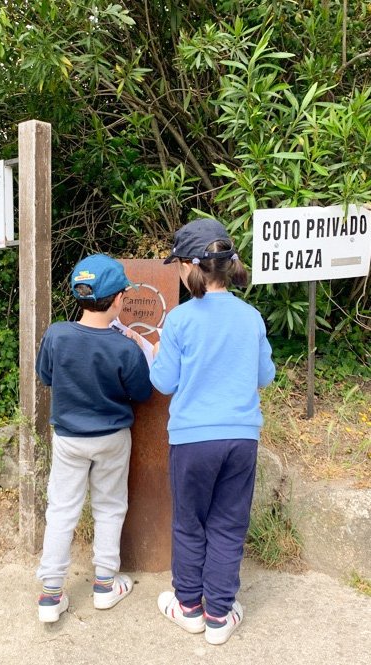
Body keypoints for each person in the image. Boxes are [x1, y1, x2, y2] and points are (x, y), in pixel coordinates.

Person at [150, 218, 275, 645]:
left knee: (190, 522)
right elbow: (265, 375)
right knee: (228, 523)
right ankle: (220, 615)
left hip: (192, 439)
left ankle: (189, 608)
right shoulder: (252, 316)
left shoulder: (180, 320)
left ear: (189, 266)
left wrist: (155, 353)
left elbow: (164, 383)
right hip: (241, 438)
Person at [35, 253, 153, 623]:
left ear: (78, 295)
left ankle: (51, 594)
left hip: (69, 438)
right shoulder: (125, 347)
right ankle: (105, 584)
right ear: (119, 299)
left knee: (61, 511)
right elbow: (142, 393)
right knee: (109, 507)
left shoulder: (57, 334)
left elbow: (46, 376)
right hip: (112, 437)